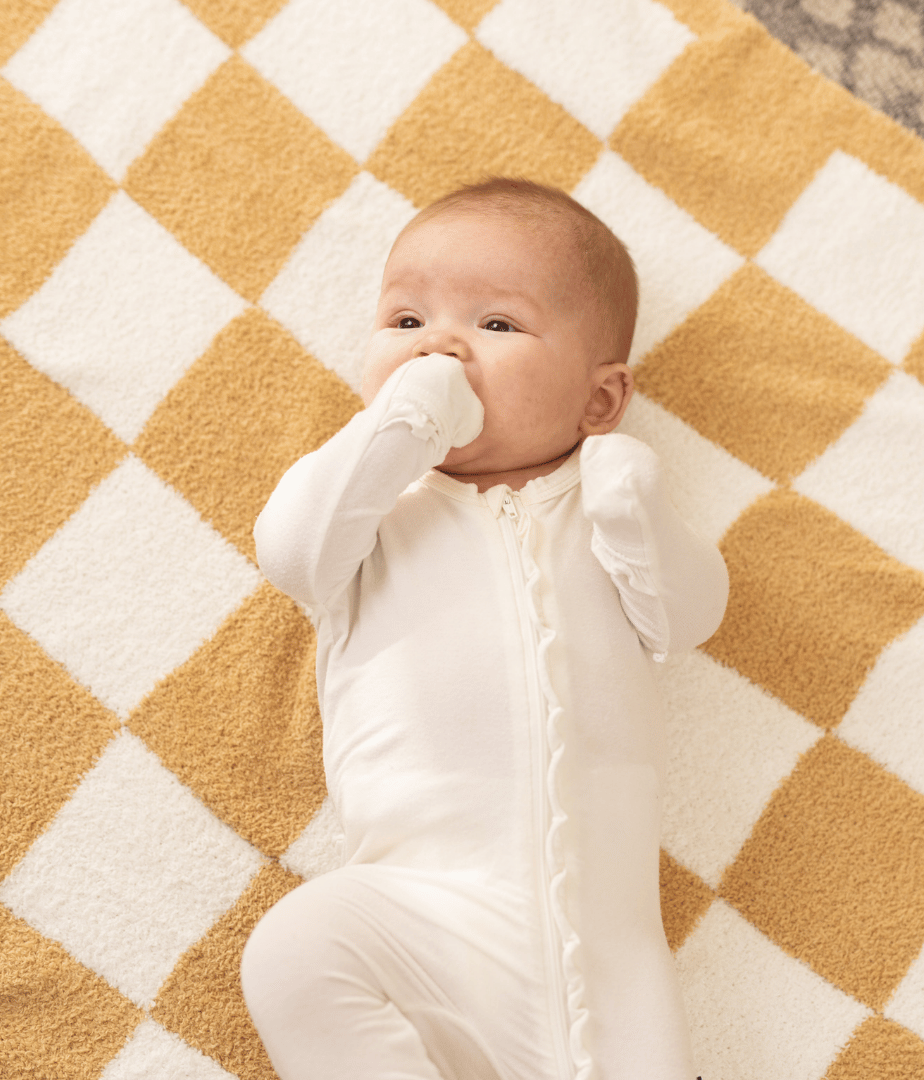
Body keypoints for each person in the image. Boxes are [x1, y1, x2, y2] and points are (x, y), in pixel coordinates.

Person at [240, 177, 729, 1080]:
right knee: (294, 950)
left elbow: (687, 619)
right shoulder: (373, 510)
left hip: (604, 953)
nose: (441, 346)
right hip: (421, 911)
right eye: (405, 321)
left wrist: (639, 511)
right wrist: (399, 425)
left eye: (497, 326)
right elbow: (290, 551)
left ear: (598, 402)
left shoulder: (602, 502)